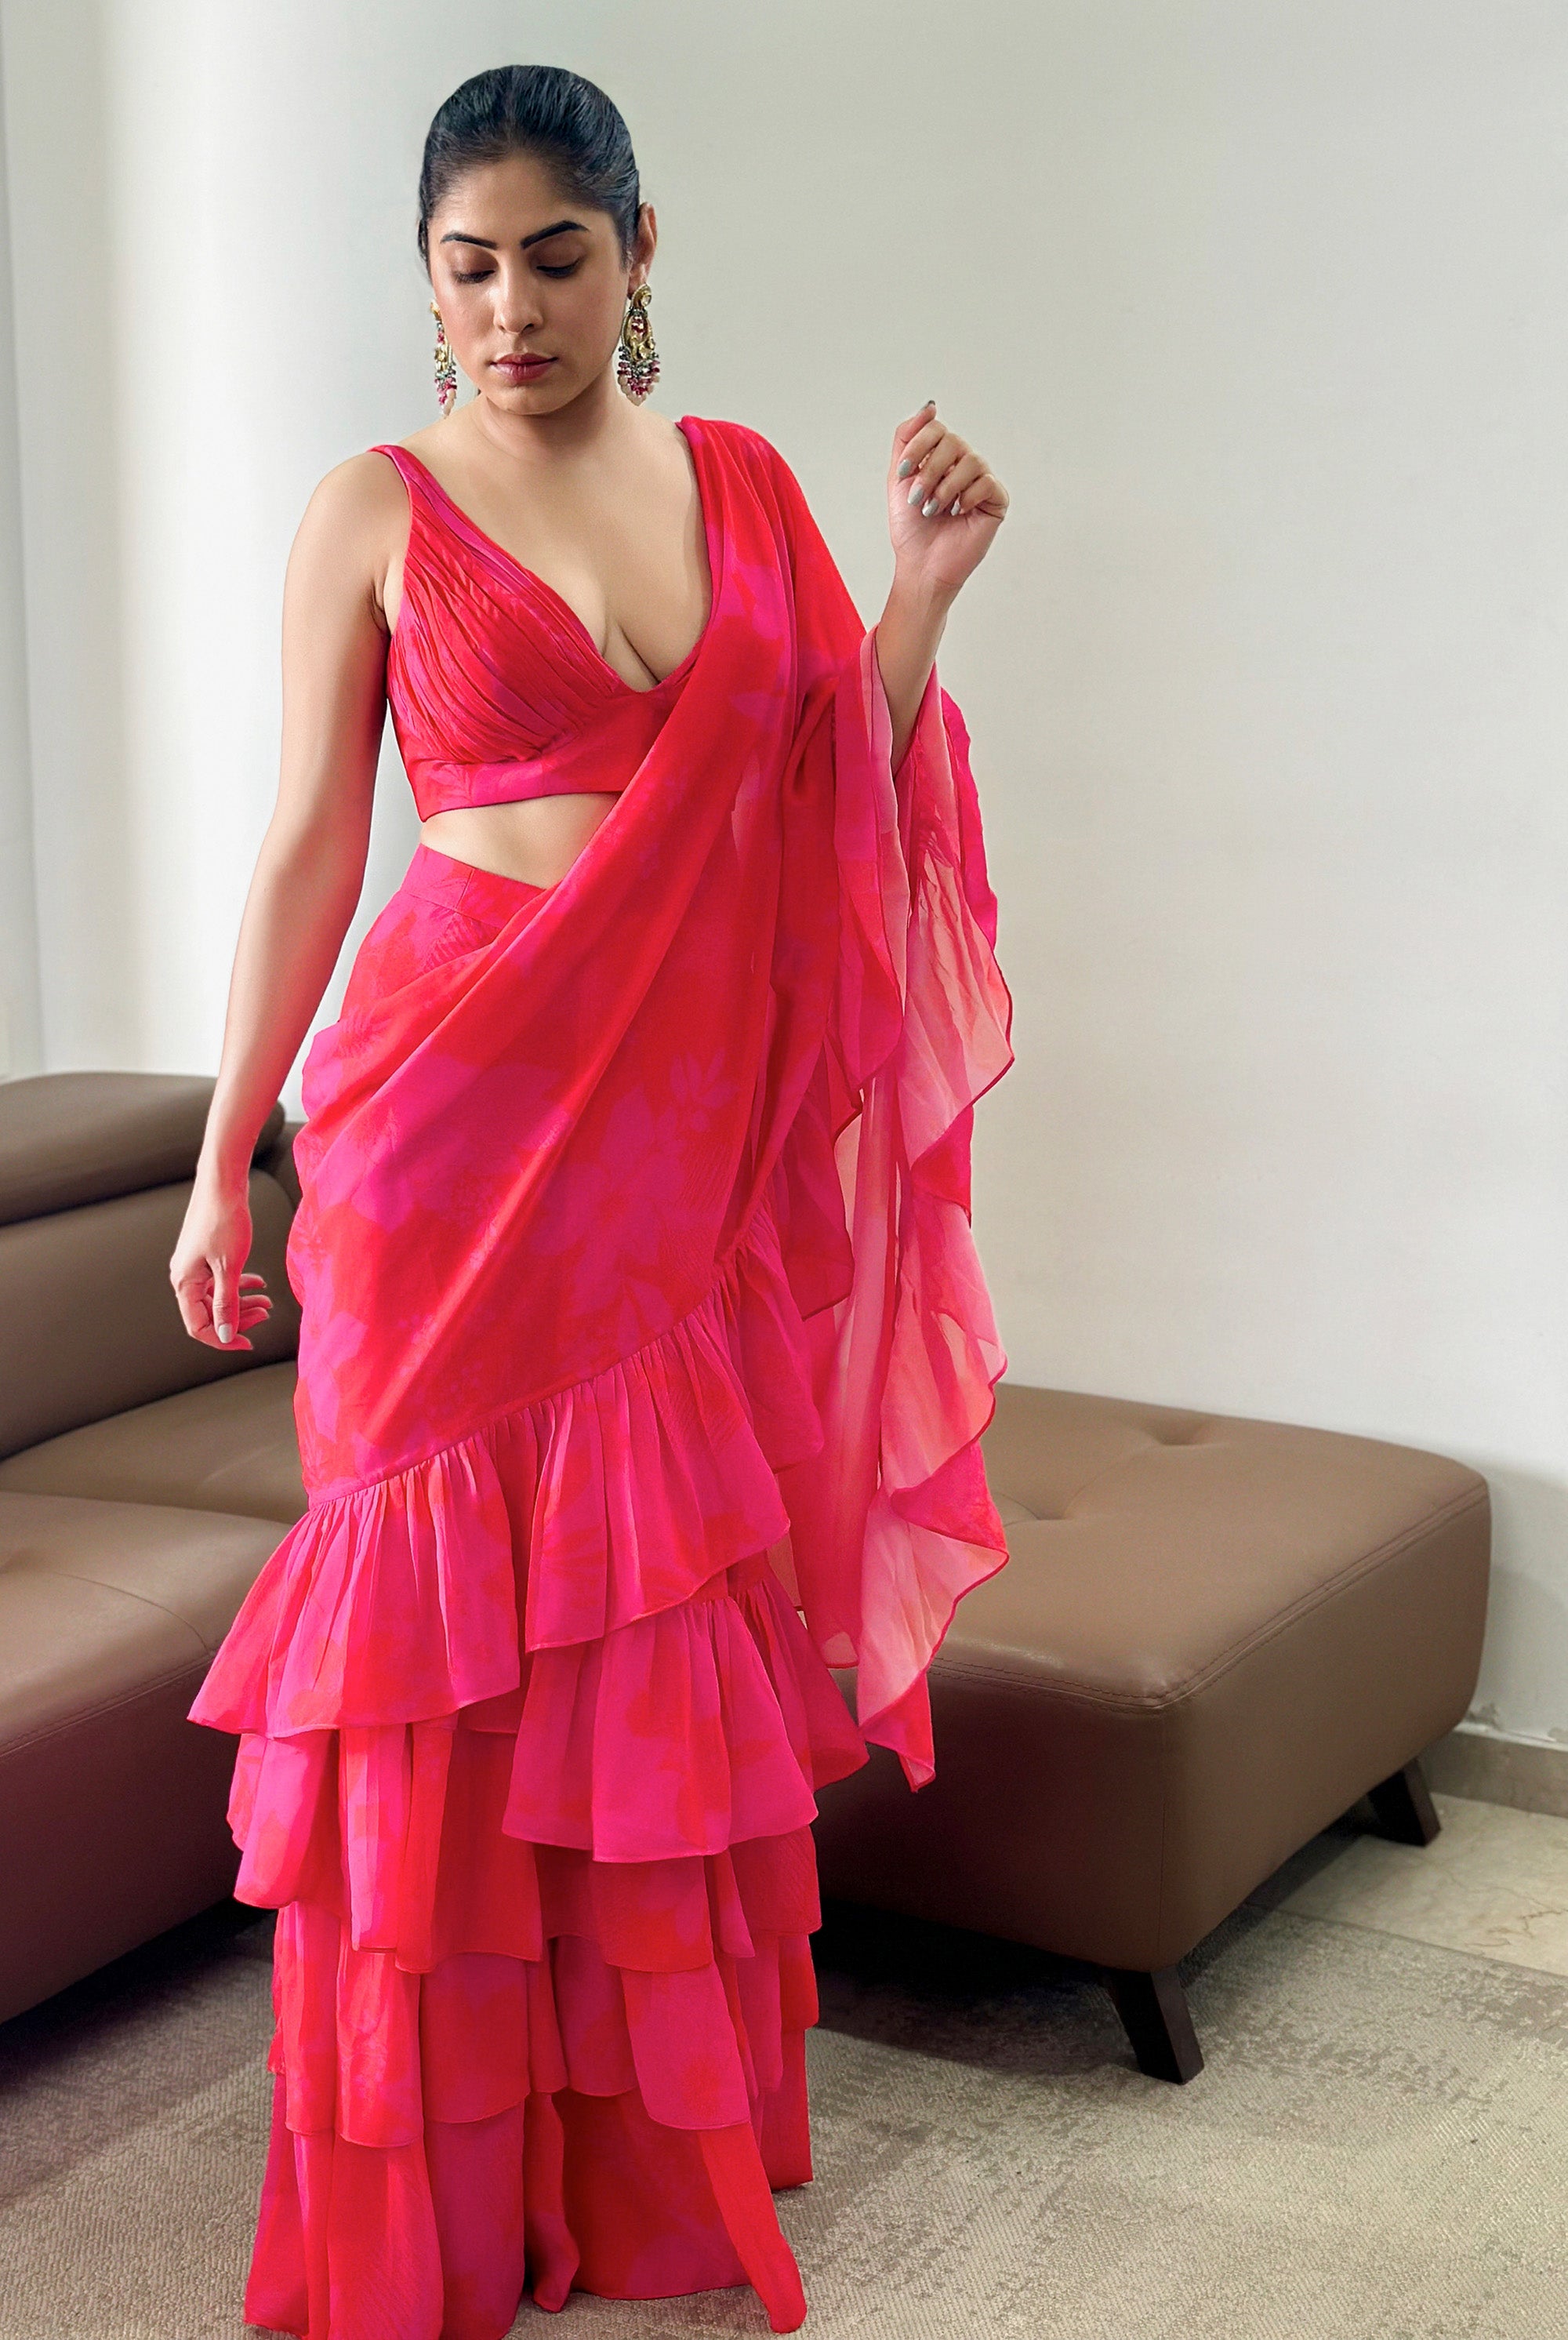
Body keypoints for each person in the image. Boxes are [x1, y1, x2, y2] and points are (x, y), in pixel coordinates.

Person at [170, 60, 1014, 2340]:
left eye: (556, 258)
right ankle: (430, 2216)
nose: (511, 310)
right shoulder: (372, 509)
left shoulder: (736, 481)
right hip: (436, 1139)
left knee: (641, 1632)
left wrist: (921, 595)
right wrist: (229, 1152)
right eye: (468, 267)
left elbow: (827, 780)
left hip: (659, 1154)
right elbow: (306, 850)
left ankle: (639, 2180)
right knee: (425, 1659)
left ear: (639, 255)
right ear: (424, 279)